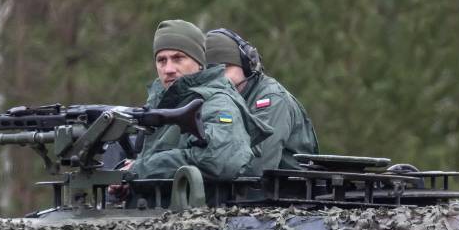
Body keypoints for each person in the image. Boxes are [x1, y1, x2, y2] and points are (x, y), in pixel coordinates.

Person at [127, 20, 267, 181]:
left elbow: (220, 159)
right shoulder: (158, 102)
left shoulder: (217, 103)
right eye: (162, 60)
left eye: (178, 58)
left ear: (199, 62)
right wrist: (126, 177)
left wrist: (140, 170)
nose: (168, 69)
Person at [205, 28, 318, 171]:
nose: (220, 78)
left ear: (246, 65)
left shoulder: (271, 99)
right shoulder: (220, 101)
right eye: (211, 72)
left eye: (225, 68)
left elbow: (257, 167)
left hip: (286, 185)